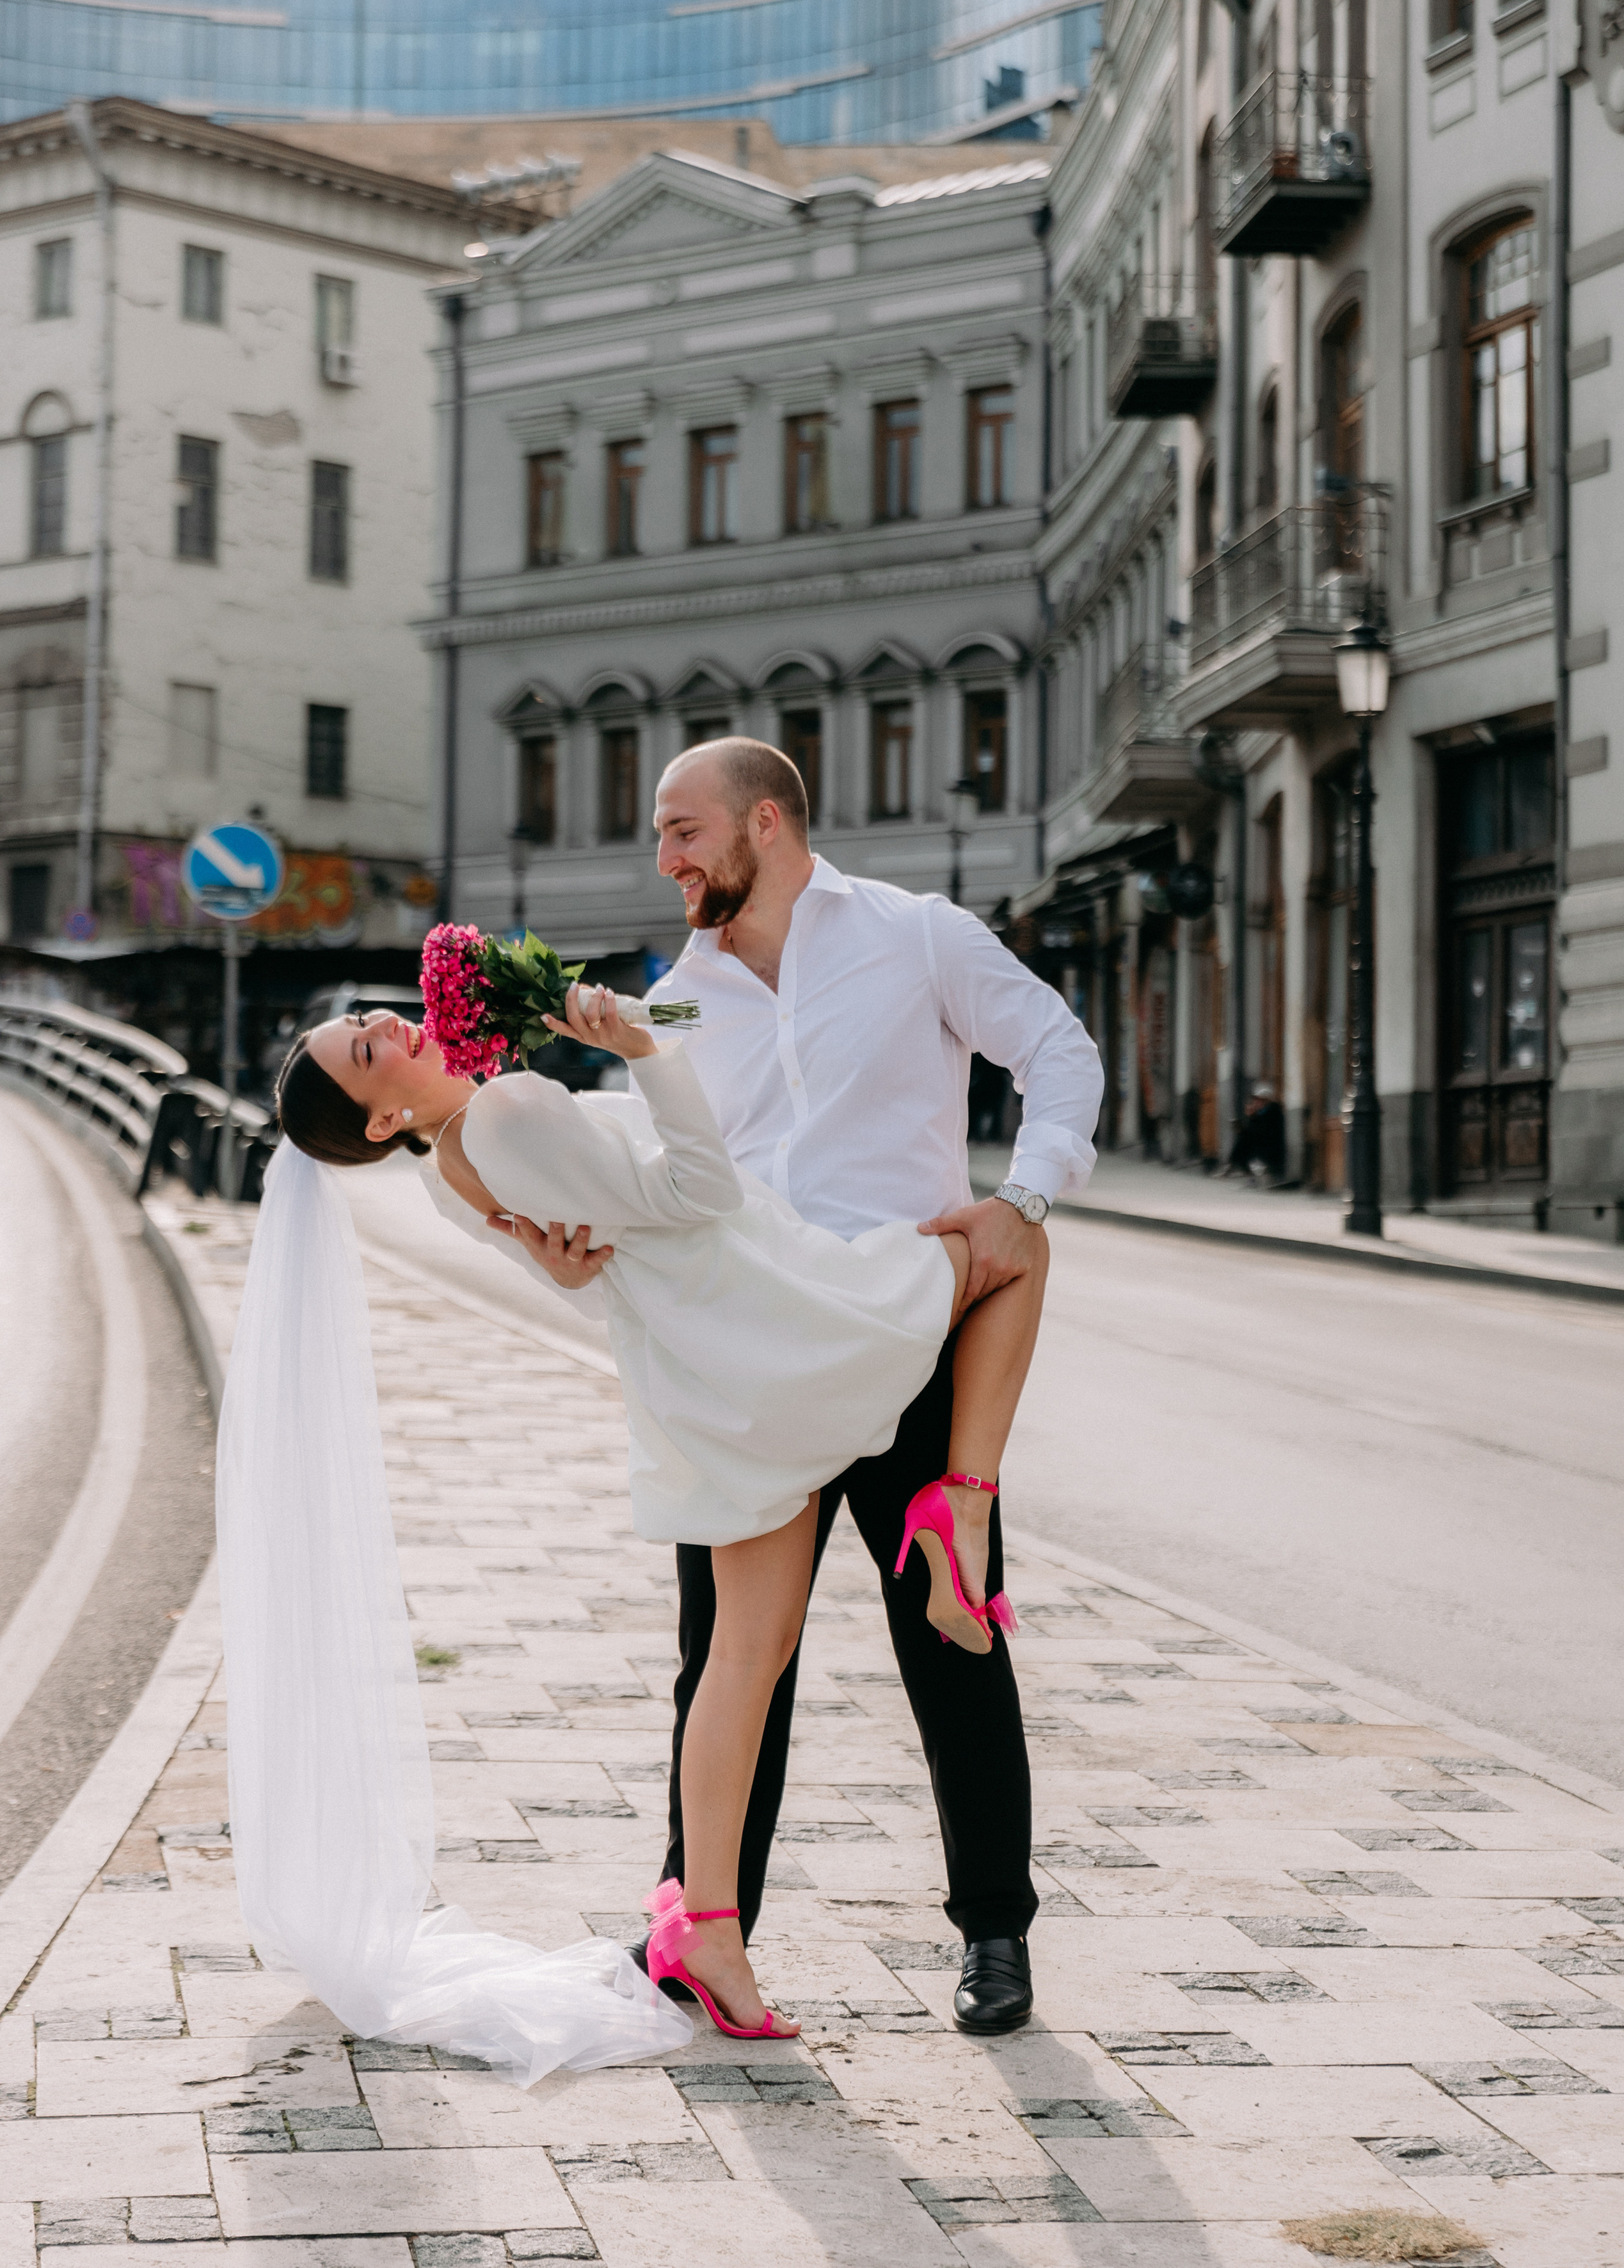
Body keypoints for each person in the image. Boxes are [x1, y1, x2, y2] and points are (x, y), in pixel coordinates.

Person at [276, 984, 1049, 2042]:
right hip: (786, 1319)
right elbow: (698, 1189)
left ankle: (710, 1927)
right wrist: (645, 1051)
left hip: (704, 1387)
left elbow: (581, 1271)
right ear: (378, 1120)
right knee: (1016, 1250)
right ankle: (959, 1512)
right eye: (367, 1050)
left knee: (743, 1656)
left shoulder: (451, 1178)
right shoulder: (501, 1114)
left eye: (372, 1018)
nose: (390, 1025)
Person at [520, 737, 1104, 2035]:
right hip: (749, 1362)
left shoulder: (916, 937)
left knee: (954, 1641)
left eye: (681, 830)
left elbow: (1057, 1054)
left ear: (764, 822)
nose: (662, 857)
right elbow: (652, 1159)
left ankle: (994, 1936)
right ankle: (698, 1921)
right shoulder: (674, 1000)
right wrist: (572, 1246)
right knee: (724, 1659)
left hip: (903, 1337)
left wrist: (1023, 1195)